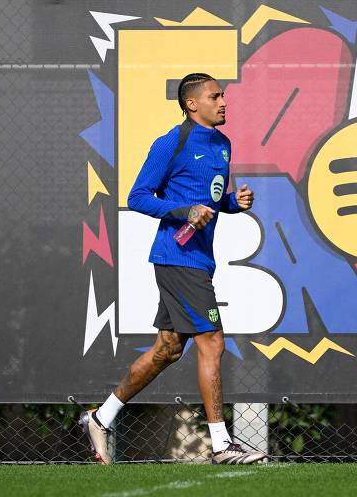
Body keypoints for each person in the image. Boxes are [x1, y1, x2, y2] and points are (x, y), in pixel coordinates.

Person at [79, 73, 265, 465]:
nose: (224, 101)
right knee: (212, 339)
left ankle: (100, 417)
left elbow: (208, 199)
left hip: (200, 259)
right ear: (192, 104)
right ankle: (221, 444)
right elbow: (139, 197)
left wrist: (233, 202)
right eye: (216, 96)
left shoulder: (222, 144)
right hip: (176, 258)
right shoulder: (171, 143)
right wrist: (183, 212)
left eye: (224, 95)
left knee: (167, 350)